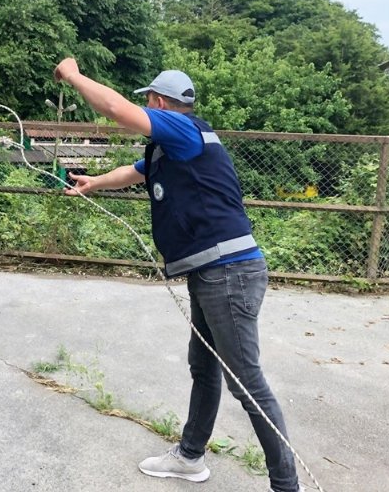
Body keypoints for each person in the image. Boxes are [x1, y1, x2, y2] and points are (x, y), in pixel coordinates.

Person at [53, 57, 301, 492]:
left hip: (229, 274)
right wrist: (93, 182)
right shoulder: (171, 151)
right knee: (203, 366)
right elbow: (132, 172)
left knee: (247, 382)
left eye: (148, 102)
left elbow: (114, 109)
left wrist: (73, 76)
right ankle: (190, 456)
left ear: (158, 102)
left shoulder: (184, 130)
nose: (145, 108)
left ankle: (287, 485)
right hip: (211, 273)